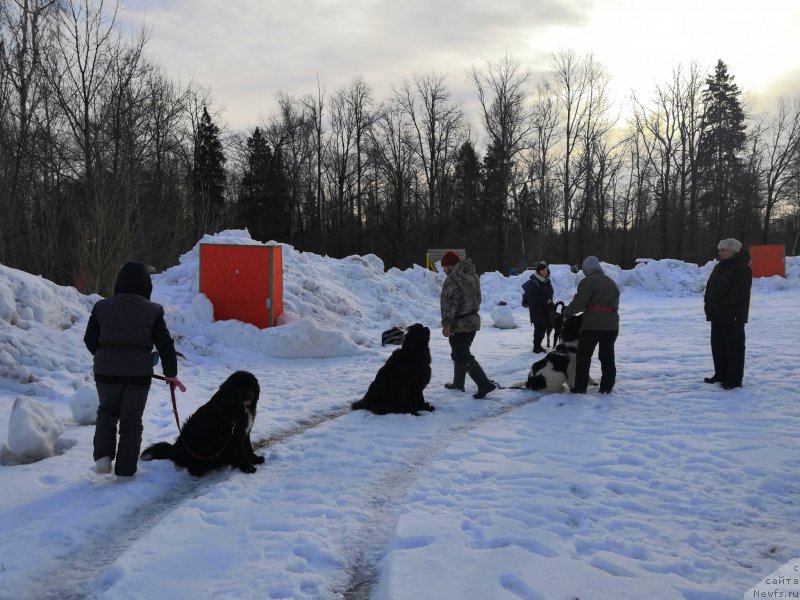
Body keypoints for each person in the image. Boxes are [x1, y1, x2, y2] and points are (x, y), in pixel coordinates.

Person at [84, 262, 179, 477]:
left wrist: (104, 355)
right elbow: (165, 344)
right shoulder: (153, 310)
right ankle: (126, 470)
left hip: (105, 373)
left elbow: (90, 340)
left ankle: (103, 458)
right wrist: (170, 372)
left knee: (107, 413)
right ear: (146, 285)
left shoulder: (101, 306)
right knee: (131, 419)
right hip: (138, 374)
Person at [440, 251, 496, 399]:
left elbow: (450, 303)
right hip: (472, 320)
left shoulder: (454, 279)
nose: (443, 270)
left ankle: (484, 384)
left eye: (445, 267)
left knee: (461, 353)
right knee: (459, 351)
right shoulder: (473, 275)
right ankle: (458, 383)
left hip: (460, 322)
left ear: (451, 266)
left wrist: (446, 324)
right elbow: (478, 298)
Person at [563, 256, 620, 394]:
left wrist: (566, 312)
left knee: (584, 355)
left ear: (587, 269)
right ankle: (607, 387)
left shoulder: (588, 281)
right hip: (612, 325)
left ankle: (580, 387)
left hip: (593, 325)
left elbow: (580, 303)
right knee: (607, 356)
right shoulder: (612, 282)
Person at [703, 238, 752, 389]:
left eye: (723, 250)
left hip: (733, 316)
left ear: (734, 251)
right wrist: (708, 303)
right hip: (717, 314)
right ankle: (721, 374)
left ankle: (734, 380)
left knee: (734, 348)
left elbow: (740, 292)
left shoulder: (742, 268)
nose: (720, 253)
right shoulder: (719, 266)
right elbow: (710, 286)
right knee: (718, 346)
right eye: (720, 250)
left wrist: (722, 304)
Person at [522, 261, 554, 353]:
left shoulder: (546, 281)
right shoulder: (534, 282)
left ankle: (538, 345)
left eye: (546, 270)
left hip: (546, 309)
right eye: (543, 270)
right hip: (537, 310)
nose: (545, 272)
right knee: (539, 329)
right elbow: (533, 297)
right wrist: (545, 300)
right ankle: (536, 347)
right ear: (538, 271)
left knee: (543, 328)